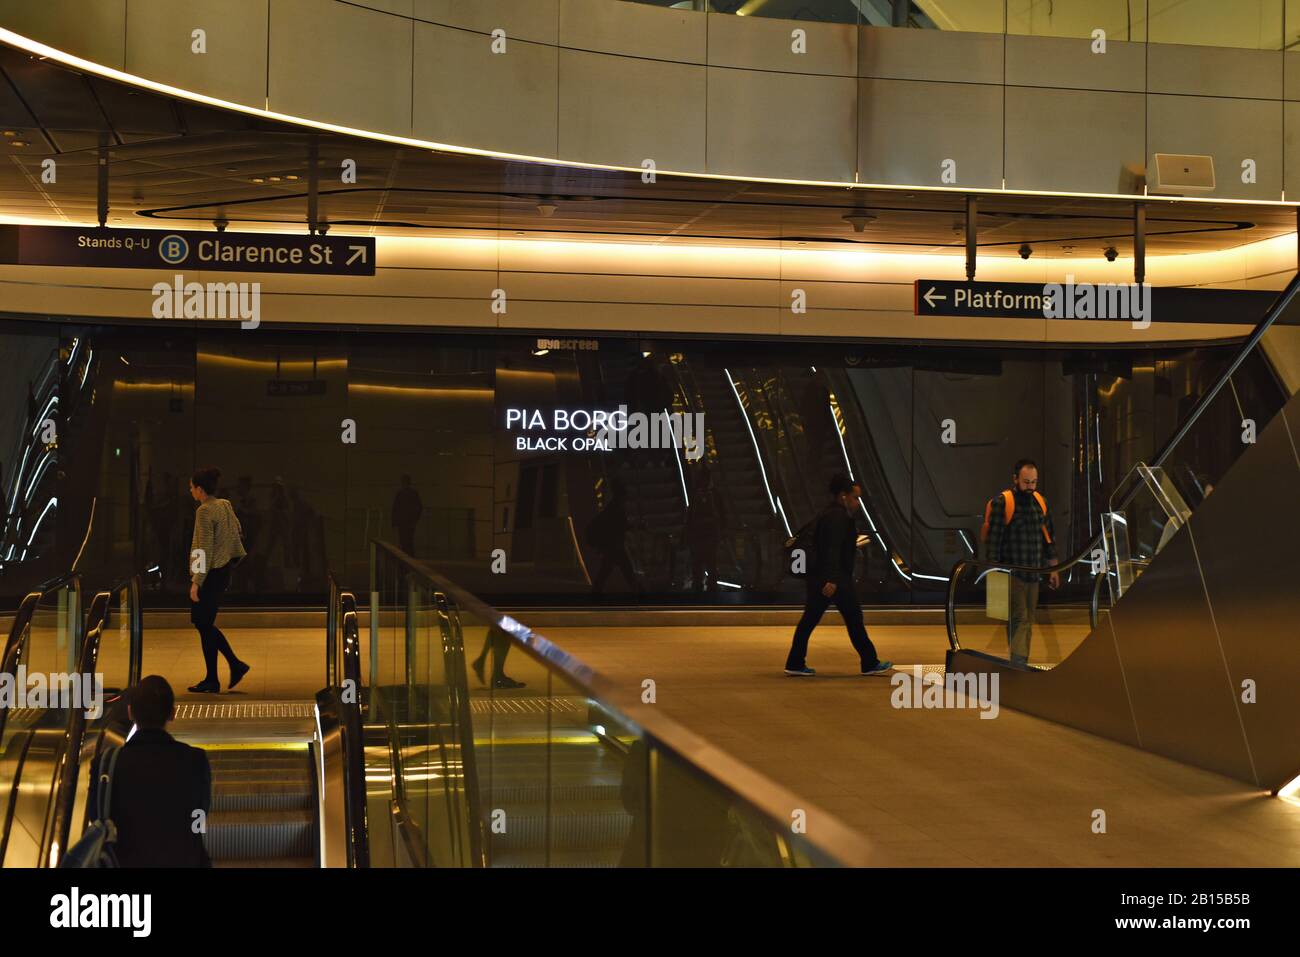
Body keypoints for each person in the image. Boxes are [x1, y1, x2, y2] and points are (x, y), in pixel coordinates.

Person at [88, 675, 212, 867]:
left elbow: (96, 816)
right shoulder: (195, 760)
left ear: (130, 712)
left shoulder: (106, 763)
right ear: (172, 713)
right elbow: (199, 814)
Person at [784, 474, 892, 677]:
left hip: (823, 578)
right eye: (855, 497)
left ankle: (795, 662)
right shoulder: (838, 517)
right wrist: (832, 579)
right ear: (843, 496)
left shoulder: (829, 514)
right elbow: (831, 550)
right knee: (852, 618)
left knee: (811, 620)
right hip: (835, 580)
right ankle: (869, 662)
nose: (857, 502)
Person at [984, 458, 1059, 667]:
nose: (1030, 487)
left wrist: (1053, 567)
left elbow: (1048, 537)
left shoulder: (1040, 502)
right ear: (1015, 479)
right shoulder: (1003, 502)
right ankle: (1019, 664)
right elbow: (994, 540)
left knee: (1024, 620)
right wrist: (994, 575)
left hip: (1033, 573)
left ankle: (1017, 662)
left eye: (1034, 482)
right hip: (1011, 573)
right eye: (1026, 482)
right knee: (1021, 619)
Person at [188, 465, 250, 694]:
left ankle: (229, 668)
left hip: (210, 574)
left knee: (203, 624)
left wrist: (197, 581)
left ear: (201, 489)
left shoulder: (204, 511)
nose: (191, 492)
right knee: (205, 625)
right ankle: (220, 674)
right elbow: (238, 532)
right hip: (223, 571)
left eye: (192, 488)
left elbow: (204, 548)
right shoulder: (224, 505)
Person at [391, 474, 423, 556]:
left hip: (402, 521)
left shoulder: (400, 493)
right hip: (410, 521)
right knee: (409, 540)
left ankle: (405, 557)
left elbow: (395, 508)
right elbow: (419, 507)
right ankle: (410, 557)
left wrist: (394, 522)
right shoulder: (413, 493)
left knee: (403, 540)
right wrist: (416, 519)